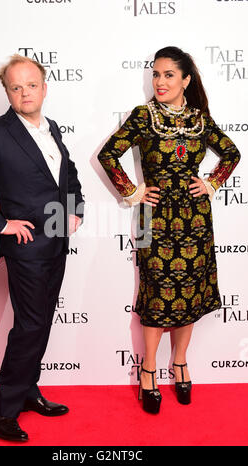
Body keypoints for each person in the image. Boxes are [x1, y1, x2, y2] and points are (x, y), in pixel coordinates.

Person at [97, 46, 240, 414]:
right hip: (153, 219)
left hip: (195, 219)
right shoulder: (144, 116)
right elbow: (108, 154)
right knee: (157, 295)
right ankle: (148, 371)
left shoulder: (199, 119)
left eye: (168, 75)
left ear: (186, 80)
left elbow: (232, 153)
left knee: (189, 293)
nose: (160, 82)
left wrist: (211, 183)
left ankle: (179, 363)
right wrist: (132, 191)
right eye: (156, 75)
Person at [0, 54, 84, 441]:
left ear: (44, 87)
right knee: (29, 326)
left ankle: (27, 390)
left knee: (40, 323)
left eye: (31, 84)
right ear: (6, 92)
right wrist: (0, 224)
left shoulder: (52, 128)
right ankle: (3, 411)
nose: (25, 92)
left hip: (56, 243)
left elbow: (68, 173)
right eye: (16, 86)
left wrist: (75, 208)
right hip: (26, 248)